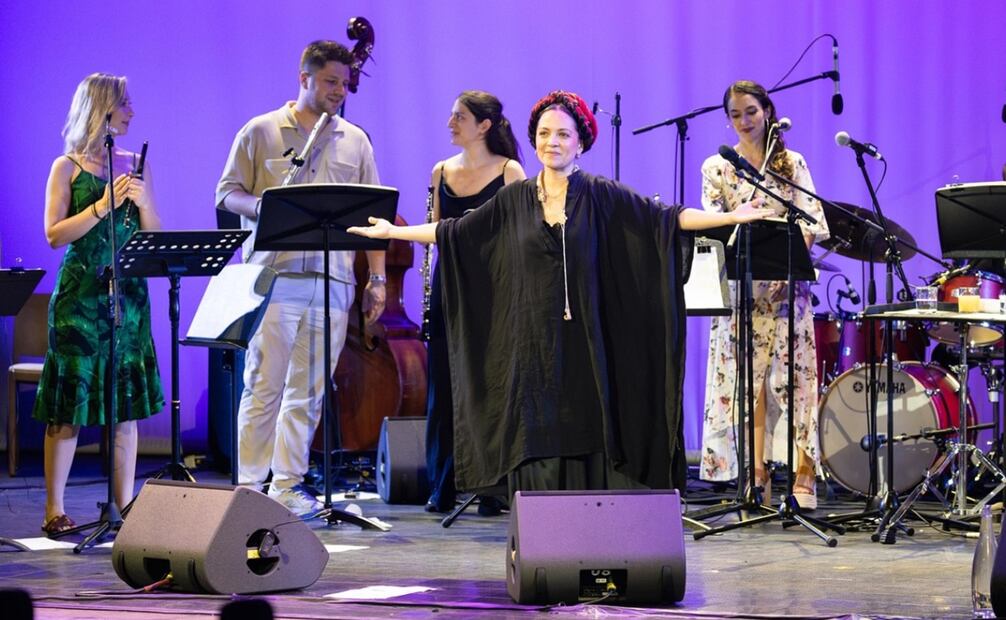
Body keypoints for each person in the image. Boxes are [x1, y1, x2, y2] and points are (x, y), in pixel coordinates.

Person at [350, 90, 772, 497]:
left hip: (587, 341)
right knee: (537, 422)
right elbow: (453, 231)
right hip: (534, 342)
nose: (553, 142)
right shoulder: (514, 198)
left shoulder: (602, 194)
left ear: (580, 143)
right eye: (545, 134)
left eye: (563, 134)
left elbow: (665, 218)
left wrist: (731, 216)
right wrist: (392, 232)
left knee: (588, 419)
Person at [216, 40, 386, 517]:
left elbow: (373, 215)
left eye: (344, 83)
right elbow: (227, 193)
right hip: (275, 276)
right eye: (331, 81)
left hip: (332, 282)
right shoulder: (261, 131)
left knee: (308, 393)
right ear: (304, 77)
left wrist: (376, 279)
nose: (340, 90)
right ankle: (249, 486)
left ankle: (287, 486)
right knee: (263, 385)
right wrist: (265, 206)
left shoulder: (355, 139)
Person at [34, 73, 164, 535]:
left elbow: (152, 237)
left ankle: (124, 508)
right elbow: (53, 235)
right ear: (102, 108)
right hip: (80, 298)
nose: (131, 111)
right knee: (68, 406)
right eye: (124, 103)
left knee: (123, 405)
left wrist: (144, 202)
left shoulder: (133, 164)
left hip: (128, 297)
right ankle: (54, 509)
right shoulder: (65, 166)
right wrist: (101, 206)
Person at [699, 80, 830, 510]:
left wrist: (789, 265)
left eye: (750, 111)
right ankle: (757, 474)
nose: (743, 121)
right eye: (735, 114)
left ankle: (804, 476)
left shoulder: (791, 163)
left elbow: (814, 222)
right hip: (743, 291)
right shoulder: (717, 167)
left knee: (797, 382)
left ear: (768, 112)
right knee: (748, 384)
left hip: (787, 292)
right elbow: (713, 225)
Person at [423, 91, 526, 514]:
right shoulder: (440, 171)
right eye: (451, 116)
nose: (451, 123)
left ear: (484, 126)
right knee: (443, 384)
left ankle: (491, 487)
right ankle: (442, 484)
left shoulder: (509, 170)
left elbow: (521, 235)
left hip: (493, 286)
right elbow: (433, 231)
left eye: (459, 117)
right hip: (450, 282)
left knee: (491, 384)